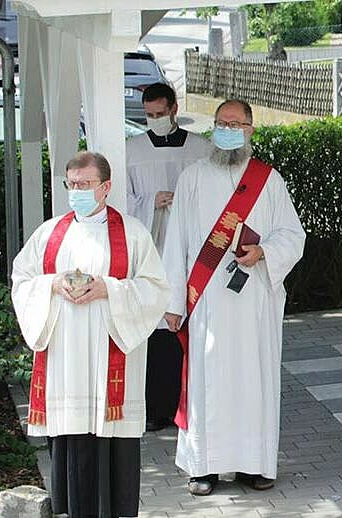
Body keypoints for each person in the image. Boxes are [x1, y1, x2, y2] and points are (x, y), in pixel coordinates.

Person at [11, 151, 169, 518]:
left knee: (111, 440)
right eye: (72, 184)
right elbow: (22, 280)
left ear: (106, 187)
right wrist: (52, 285)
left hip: (110, 356)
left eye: (85, 184)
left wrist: (109, 290)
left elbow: (156, 289)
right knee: (72, 438)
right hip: (66, 360)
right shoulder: (50, 233)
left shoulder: (132, 233)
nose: (78, 191)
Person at [161, 99, 306, 495]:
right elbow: (176, 242)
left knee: (253, 380)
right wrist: (174, 303)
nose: (228, 129)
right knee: (208, 381)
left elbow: (293, 236)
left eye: (236, 124)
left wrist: (264, 252)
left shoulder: (269, 180)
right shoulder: (192, 177)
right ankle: (203, 467)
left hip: (254, 299)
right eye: (222, 123)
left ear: (250, 130)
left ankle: (254, 464)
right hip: (207, 299)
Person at [125, 82, 212, 432]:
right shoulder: (131, 150)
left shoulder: (201, 149)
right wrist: (149, 201)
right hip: (152, 248)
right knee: (154, 329)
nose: (155, 120)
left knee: (189, 327)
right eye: (149, 116)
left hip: (192, 250)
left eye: (161, 114)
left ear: (175, 108)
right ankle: (156, 408)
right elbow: (121, 201)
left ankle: (189, 403)